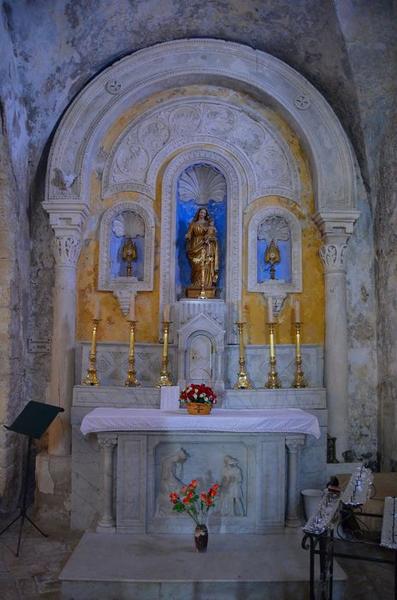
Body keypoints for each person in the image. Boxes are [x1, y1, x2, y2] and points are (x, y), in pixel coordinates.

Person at [185, 207, 219, 289]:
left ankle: (206, 284)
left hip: (206, 245)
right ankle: (196, 282)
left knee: (206, 263)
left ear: (206, 214)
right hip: (195, 245)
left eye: (204, 213)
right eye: (201, 212)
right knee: (196, 265)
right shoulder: (193, 224)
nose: (202, 214)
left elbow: (213, 234)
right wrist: (188, 236)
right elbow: (189, 233)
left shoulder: (209, 224)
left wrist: (210, 238)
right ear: (198, 213)